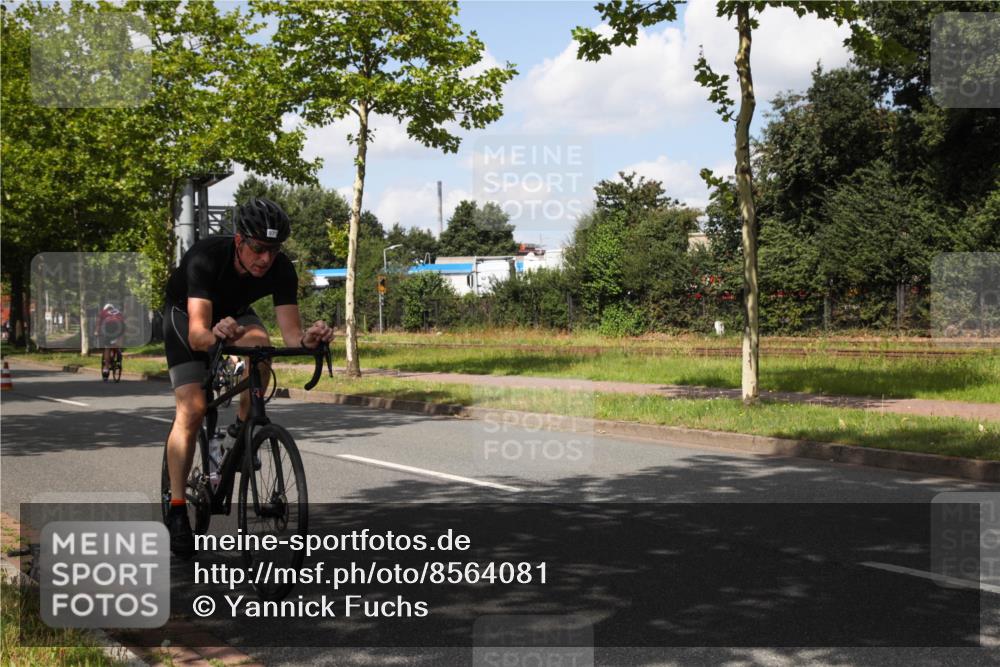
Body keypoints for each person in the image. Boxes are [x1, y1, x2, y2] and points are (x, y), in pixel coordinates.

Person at [162, 197, 333, 558]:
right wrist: (215, 333)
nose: (265, 259)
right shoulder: (206, 257)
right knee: (192, 409)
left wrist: (309, 340)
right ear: (239, 240)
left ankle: (242, 429)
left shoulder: (281, 268)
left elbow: (292, 337)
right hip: (187, 319)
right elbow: (198, 334)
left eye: (273, 250)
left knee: (263, 349)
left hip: (235, 317)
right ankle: (177, 508)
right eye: (258, 248)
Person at [95, 303, 125, 380]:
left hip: (109, 326)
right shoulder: (118, 312)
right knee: (118, 340)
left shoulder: (103, 312)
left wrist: (97, 332)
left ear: (105, 308)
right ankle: (118, 350)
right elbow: (123, 322)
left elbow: (99, 323)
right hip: (120, 326)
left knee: (107, 347)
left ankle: (106, 368)